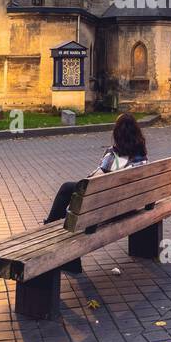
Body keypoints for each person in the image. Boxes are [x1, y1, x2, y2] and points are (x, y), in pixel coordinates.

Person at [44, 114, 149, 275]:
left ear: (116, 134)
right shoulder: (141, 156)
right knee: (77, 203)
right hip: (129, 207)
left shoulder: (112, 154)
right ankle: (67, 254)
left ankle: (48, 227)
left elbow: (94, 179)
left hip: (106, 210)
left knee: (68, 190)